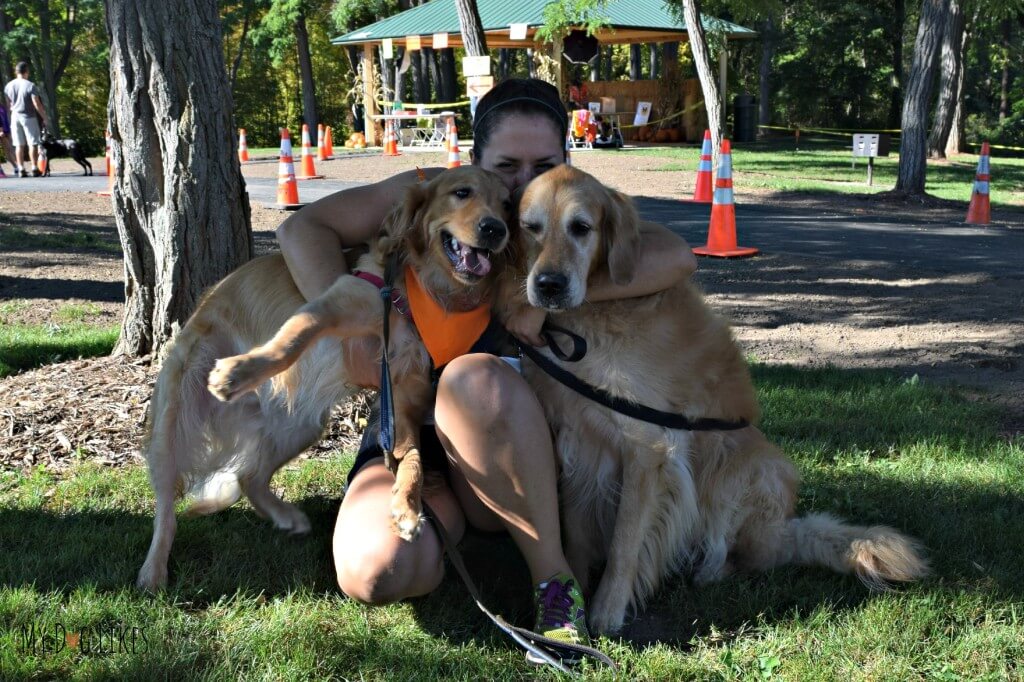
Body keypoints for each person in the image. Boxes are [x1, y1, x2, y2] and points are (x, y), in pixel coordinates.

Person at [276, 78, 696, 659]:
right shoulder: (437, 193)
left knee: (475, 377)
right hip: (414, 439)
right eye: (506, 163)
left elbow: (675, 256)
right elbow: (302, 228)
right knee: (380, 572)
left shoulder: (569, 211)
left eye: (544, 162)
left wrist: (552, 294)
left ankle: (556, 585)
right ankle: (456, 526)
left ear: (566, 160)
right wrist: (358, 317)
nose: (524, 180)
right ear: (475, 160)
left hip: (514, 435)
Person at [3, 62, 48, 178]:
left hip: (15, 116)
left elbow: (8, 105)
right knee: (32, 143)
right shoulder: (30, 85)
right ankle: (34, 167)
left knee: (18, 145)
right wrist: (44, 117)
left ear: (16, 72)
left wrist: (9, 119)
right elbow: (36, 103)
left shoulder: (8, 86)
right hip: (28, 116)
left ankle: (21, 168)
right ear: (26, 71)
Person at [0, 96, 17, 176]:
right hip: (1, 130)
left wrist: (8, 131)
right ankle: (1, 170)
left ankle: (16, 167)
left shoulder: (2, 107)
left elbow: (5, 119)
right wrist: (1, 130)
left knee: (9, 150)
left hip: (5, 130)